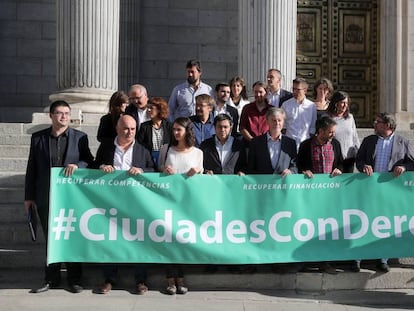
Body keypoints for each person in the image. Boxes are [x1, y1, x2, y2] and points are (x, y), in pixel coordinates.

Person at [24, 100, 94, 294]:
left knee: (72, 237)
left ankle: (75, 280)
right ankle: (51, 279)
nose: (63, 116)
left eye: (66, 113)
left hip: (71, 197)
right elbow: (32, 169)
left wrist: (77, 165)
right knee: (52, 238)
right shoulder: (38, 138)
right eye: (59, 113)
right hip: (46, 195)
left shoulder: (80, 137)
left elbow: (90, 161)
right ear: (51, 116)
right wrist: (28, 197)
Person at [94, 114, 154, 294]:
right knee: (110, 240)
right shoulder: (106, 147)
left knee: (139, 241)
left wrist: (142, 170)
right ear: (117, 129)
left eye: (133, 129)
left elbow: (153, 169)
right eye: (126, 128)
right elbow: (94, 165)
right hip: (110, 202)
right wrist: (101, 167)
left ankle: (140, 281)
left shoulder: (142, 150)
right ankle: (109, 279)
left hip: (135, 203)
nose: (130, 132)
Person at [355, 112, 414, 272]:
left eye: (378, 122)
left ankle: (382, 259)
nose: (375, 123)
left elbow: (412, 163)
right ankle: (358, 258)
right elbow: (359, 160)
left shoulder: (403, 142)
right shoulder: (369, 141)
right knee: (364, 222)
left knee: (385, 224)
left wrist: (404, 167)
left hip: (391, 191)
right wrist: (363, 166)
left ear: (388, 125)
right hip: (370, 189)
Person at [158, 117, 203, 295]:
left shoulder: (198, 153)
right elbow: (158, 167)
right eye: (174, 129)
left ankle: (181, 278)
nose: (176, 133)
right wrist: (164, 169)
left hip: (187, 202)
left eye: (179, 130)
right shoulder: (166, 149)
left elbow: (201, 176)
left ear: (187, 131)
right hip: (168, 200)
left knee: (183, 240)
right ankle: (170, 279)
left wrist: (198, 172)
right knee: (168, 239)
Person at [297, 116, 343, 274]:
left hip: (329, 195)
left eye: (333, 132)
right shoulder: (305, 146)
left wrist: (339, 169)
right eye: (330, 132)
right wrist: (304, 171)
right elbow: (299, 164)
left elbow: (341, 162)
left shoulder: (335, 144)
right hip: (310, 194)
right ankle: (306, 260)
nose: (332, 135)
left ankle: (325, 262)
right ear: (321, 131)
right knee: (308, 227)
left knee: (326, 228)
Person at [248, 107, 297, 175]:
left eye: (279, 120)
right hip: (262, 183)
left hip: (283, 183)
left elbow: (295, 166)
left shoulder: (291, 143)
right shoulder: (256, 142)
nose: (277, 123)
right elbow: (250, 167)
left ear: (283, 122)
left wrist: (291, 171)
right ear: (267, 121)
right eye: (273, 120)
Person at [326, 91, 360, 173]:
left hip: (349, 157)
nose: (345, 105)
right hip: (334, 157)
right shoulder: (327, 117)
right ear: (336, 103)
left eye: (347, 103)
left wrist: (359, 152)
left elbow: (354, 136)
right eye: (342, 103)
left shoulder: (350, 117)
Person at [282, 77, 317, 150]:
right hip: (289, 143)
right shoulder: (286, 105)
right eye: (293, 89)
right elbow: (283, 126)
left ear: (305, 90)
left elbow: (312, 127)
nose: (295, 92)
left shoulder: (311, 106)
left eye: (298, 90)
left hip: (305, 144)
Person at [137, 97, 172, 170]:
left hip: (165, 157)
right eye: (148, 108)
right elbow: (139, 144)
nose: (148, 110)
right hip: (149, 158)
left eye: (151, 108)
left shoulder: (169, 126)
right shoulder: (144, 126)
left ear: (159, 109)